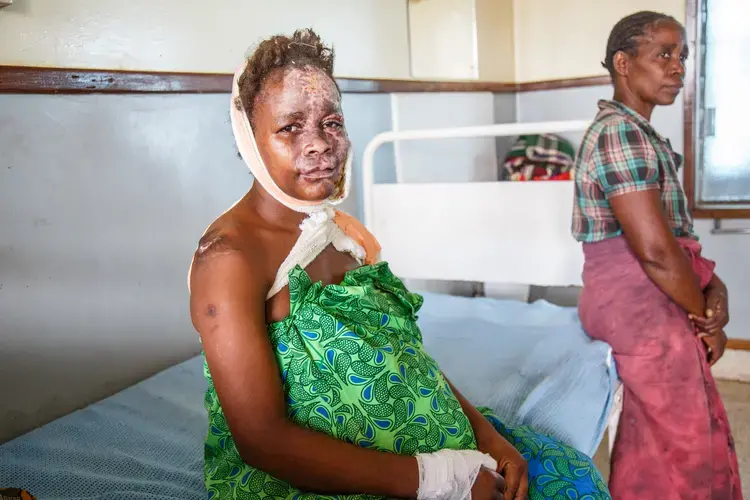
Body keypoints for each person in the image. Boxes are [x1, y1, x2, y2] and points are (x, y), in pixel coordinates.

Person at [189, 28, 610, 500]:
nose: (319, 144)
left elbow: (408, 355)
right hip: (332, 479)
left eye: (331, 123)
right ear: (250, 139)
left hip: (446, 454)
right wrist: (441, 480)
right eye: (290, 127)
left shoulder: (337, 235)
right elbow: (262, 440)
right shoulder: (230, 259)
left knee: (574, 479)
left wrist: (492, 441)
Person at [572, 11, 743, 499]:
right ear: (623, 64)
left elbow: (677, 245)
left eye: (683, 56)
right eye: (663, 54)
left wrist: (714, 293)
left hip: (657, 287)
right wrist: (703, 317)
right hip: (636, 299)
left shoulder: (643, 137)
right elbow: (653, 252)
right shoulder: (618, 134)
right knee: (683, 440)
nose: (677, 67)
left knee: (667, 433)